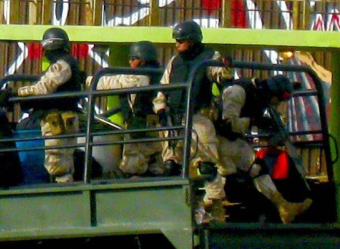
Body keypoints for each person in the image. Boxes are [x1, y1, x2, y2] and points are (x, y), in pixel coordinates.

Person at [153, 20, 232, 221]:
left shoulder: (209, 57)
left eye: (181, 40)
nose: (177, 44)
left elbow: (220, 75)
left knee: (206, 165)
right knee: (172, 166)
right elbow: (163, 87)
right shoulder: (174, 62)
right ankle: (183, 211)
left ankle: (216, 207)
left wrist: (225, 69)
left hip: (198, 118)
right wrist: (161, 109)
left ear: (193, 40)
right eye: (176, 40)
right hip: (175, 120)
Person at [216, 74, 312, 223]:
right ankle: (218, 215)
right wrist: (255, 121)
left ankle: (283, 207)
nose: (278, 103)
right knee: (231, 182)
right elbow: (227, 123)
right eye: (278, 99)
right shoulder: (238, 91)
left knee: (258, 168)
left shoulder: (261, 98)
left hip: (235, 140)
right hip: (219, 141)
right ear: (270, 91)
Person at [17, 27, 83, 183]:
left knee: (57, 165)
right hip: (63, 120)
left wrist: (16, 93)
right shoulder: (68, 63)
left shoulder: (62, 65)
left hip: (57, 122)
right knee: (63, 163)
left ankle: (62, 197)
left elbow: (43, 88)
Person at [90, 41, 163, 176]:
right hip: (158, 129)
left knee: (131, 167)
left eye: (133, 59)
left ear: (141, 60)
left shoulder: (138, 77)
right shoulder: (160, 73)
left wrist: (86, 80)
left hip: (140, 129)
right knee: (156, 166)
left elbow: (108, 83)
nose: (129, 62)